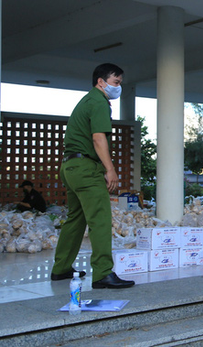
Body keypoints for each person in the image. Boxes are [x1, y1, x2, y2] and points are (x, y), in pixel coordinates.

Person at [51, 63, 134, 289]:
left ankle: (61, 268)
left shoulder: (86, 101)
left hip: (71, 166)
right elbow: (99, 139)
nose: (118, 87)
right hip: (87, 168)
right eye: (116, 82)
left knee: (75, 220)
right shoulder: (98, 102)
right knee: (100, 219)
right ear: (101, 81)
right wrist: (110, 169)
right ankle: (102, 274)